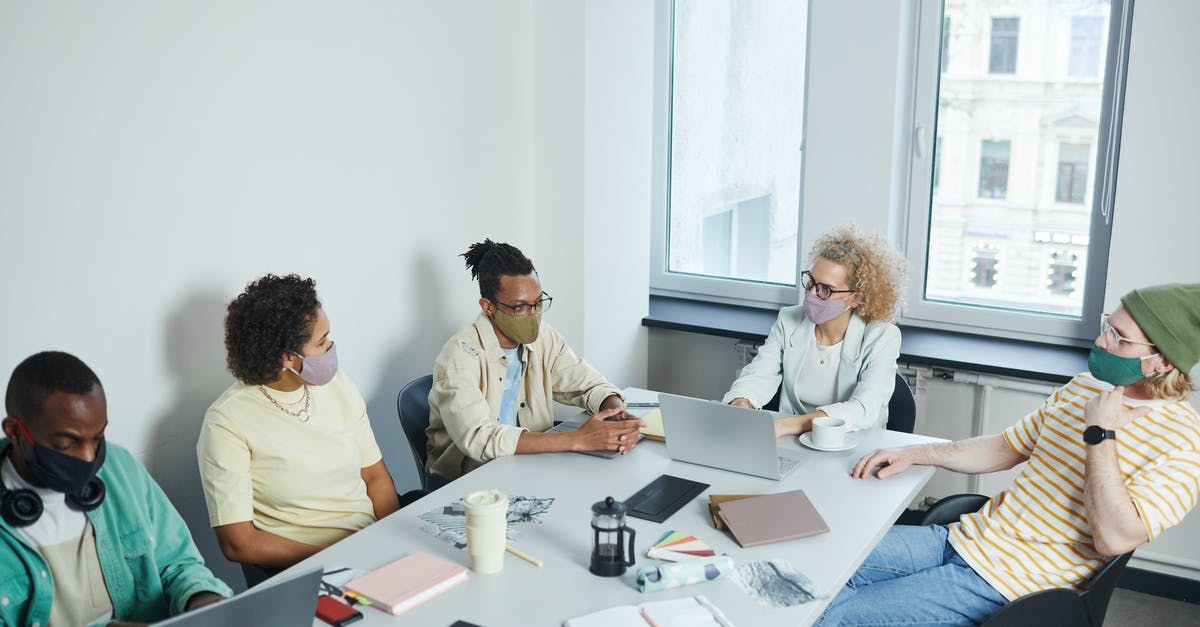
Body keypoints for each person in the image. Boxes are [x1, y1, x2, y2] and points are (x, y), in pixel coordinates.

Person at [817, 283, 1200, 627]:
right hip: (961, 539)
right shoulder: (1085, 388)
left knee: (832, 615)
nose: (1101, 342)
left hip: (1007, 584)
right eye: (1107, 326)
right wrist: (917, 453)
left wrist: (1100, 434)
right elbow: (1005, 447)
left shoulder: (1183, 443)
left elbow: (1114, 539)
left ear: (1162, 361)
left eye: (1119, 338)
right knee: (821, 564)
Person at [1, 351, 231, 627]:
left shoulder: (120, 468)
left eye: (98, 438)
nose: (89, 458)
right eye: (67, 444)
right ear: (14, 431)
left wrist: (203, 598)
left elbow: (178, 564)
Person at [197, 274, 400, 578]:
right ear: (286, 357)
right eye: (322, 342)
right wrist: (337, 560)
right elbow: (238, 542)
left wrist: (393, 545)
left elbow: (374, 476)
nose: (331, 346)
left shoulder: (339, 386)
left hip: (370, 547)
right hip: (310, 569)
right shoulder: (227, 422)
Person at [425, 239, 644, 484]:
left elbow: (588, 384)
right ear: (488, 306)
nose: (533, 315)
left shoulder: (544, 337)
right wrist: (577, 439)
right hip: (470, 482)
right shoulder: (460, 355)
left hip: (534, 469)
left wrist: (615, 413)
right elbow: (480, 438)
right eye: (520, 307)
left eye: (538, 303)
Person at [724, 225, 907, 437]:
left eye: (825, 289)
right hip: (792, 442)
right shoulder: (789, 319)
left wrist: (786, 426)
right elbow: (759, 374)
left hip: (852, 443)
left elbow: (863, 410)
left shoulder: (882, 337)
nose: (811, 293)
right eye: (810, 281)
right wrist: (741, 402)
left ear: (856, 298)